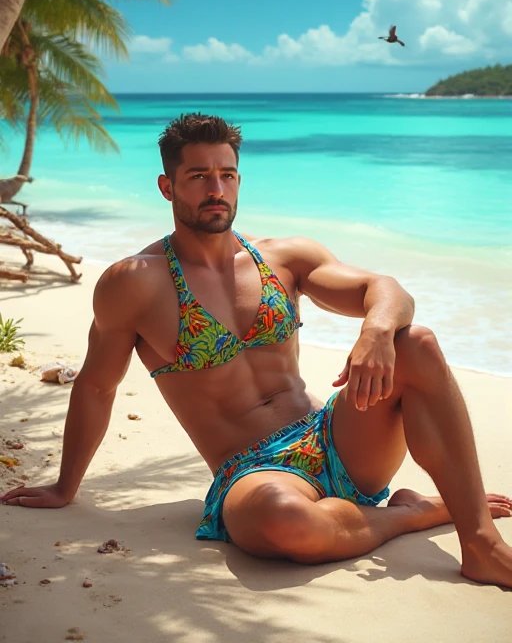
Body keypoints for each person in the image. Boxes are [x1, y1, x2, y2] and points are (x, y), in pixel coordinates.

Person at [2, 113, 511, 588]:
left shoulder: (283, 258)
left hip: (336, 437)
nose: (216, 189)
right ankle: (412, 512)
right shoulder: (134, 282)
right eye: (199, 176)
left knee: (415, 342)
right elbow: (97, 385)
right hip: (253, 474)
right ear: (167, 186)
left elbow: (386, 289)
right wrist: (65, 487)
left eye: (227, 174)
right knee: (283, 521)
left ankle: (481, 544)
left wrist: (376, 331)